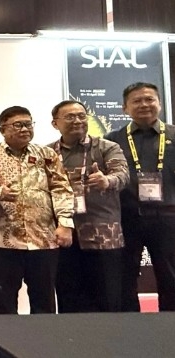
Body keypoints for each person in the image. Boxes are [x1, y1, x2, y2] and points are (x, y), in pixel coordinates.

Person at [0, 105, 74, 314]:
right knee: (4, 302)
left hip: (43, 239)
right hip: (3, 241)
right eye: (18, 125)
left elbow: (61, 189)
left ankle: (43, 335)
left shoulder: (47, 154)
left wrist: (65, 224)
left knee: (44, 301)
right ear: (3, 129)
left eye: (28, 124)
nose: (25, 129)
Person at [49, 100, 128, 312]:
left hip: (102, 232)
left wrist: (106, 181)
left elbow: (122, 175)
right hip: (64, 234)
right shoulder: (48, 153)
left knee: (107, 296)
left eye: (81, 116)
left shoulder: (106, 147)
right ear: (55, 123)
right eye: (70, 117)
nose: (77, 121)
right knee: (68, 295)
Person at [104, 82, 175, 312]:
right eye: (137, 101)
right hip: (127, 217)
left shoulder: (173, 135)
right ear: (125, 108)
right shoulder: (112, 140)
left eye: (149, 99)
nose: (144, 104)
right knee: (124, 276)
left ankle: (169, 325)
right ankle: (129, 326)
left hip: (168, 218)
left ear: (159, 104)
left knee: (171, 276)